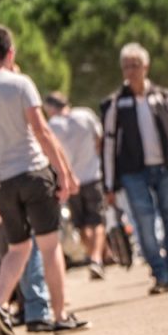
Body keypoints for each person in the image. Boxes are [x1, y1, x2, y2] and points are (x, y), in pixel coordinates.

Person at [0, 25, 86, 335]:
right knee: (49, 245)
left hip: (2, 182)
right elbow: (42, 131)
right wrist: (63, 172)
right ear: (10, 52)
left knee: (17, 247)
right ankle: (60, 315)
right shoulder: (20, 83)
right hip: (33, 173)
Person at [101, 42, 168, 295]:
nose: (130, 71)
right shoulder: (116, 104)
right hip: (133, 174)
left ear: (146, 67)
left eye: (135, 65)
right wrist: (108, 185)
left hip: (166, 169)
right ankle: (159, 274)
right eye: (126, 66)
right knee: (144, 224)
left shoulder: (164, 98)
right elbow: (109, 146)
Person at [44, 91, 107, 280]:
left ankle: (94, 257)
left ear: (50, 108)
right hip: (93, 176)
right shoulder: (85, 114)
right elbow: (99, 140)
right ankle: (97, 258)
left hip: (70, 181)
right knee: (97, 220)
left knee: (81, 223)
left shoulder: (52, 125)